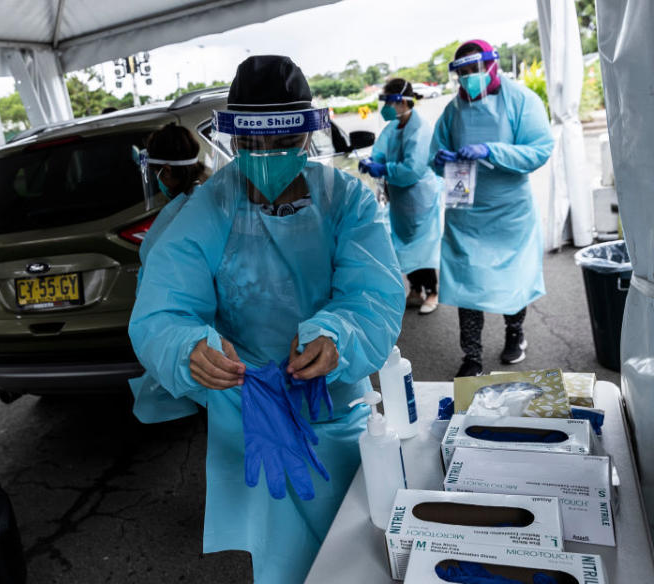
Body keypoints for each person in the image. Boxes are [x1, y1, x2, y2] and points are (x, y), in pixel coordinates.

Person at [129, 55, 405, 583]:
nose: (268, 158)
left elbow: (374, 293)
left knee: (359, 541)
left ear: (307, 138)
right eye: (253, 146)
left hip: (335, 396)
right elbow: (163, 307)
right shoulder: (208, 209)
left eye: (282, 145)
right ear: (233, 141)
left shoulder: (345, 201)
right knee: (282, 553)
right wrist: (190, 348)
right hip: (250, 404)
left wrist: (337, 336)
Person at [430, 39, 554, 377]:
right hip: (466, 211)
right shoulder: (453, 110)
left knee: (512, 280)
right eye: (463, 72)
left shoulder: (522, 101)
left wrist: (492, 150)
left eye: (475, 69)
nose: (470, 77)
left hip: (508, 211)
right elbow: (435, 152)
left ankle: (515, 334)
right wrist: (438, 159)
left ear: (492, 65)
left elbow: (540, 150)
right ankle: (472, 355)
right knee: (467, 285)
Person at [128, 123, 207, 424]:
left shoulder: (178, 219)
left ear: (168, 173)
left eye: (154, 170)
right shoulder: (209, 199)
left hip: (200, 340)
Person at [359, 78, 443, 315]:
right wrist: (372, 161)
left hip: (420, 197)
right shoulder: (393, 128)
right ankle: (416, 290)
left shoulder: (420, 129)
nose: (386, 107)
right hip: (401, 199)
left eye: (389, 102)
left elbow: (413, 168)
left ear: (402, 101)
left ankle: (432, 292)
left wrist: (385, 169)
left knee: (423, 248)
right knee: (405, 246)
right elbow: (380, 151)